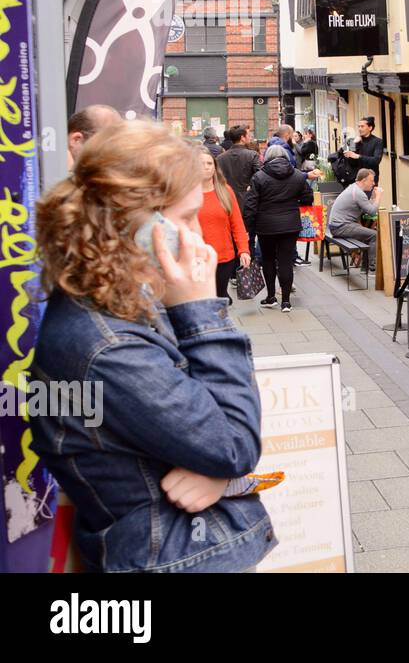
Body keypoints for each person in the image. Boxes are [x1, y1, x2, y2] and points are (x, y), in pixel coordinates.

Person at [31, 120, 275, 572]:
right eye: (184, 219)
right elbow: (235, 442)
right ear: (133, 224)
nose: (196, 236)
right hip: (173, 557)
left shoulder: (117, 300)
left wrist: (221, 475)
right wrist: (201, 308)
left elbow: (212, 424)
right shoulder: (107, 345)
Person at [245, 144, 314, 313]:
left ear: (267, 158)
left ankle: (270, 297)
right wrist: (293, 203)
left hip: (266, 225)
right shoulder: (298, 176)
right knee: (285, 261)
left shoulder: (259, 177)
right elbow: (308, 198)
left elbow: (250, 205)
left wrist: (248, 227)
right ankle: (286, 301)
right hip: (290, 225)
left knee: (268, 260)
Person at [198, 150, 251, 304]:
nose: (206, 167)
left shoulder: (225, 191)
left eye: (209, 163)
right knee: (203, 300)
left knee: (219, 297)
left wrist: (243, 250)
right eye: (202, 164)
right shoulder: (188, 193)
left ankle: (221, 324)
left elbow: (237, 224)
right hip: (197, 258)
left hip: (223, 257)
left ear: (215, 168)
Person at [328, 167, 383, 267]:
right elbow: (372, 212)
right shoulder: (358, 193)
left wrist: (373, 199)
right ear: (363, 180)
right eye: (371, 180)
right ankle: (373, 266)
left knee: (367, 233)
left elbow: (366, 207)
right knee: (374, 235)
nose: (373, 183)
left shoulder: (354, 188)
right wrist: (378, 196)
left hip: (338, 225)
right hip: (340, 227)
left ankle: (365, 266)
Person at [216, 125, 262, 217]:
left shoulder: (220, 158)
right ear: (242, 138)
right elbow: (260, 176)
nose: (250, 138)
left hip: (225, 199)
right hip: (247, 200)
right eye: (248, 135)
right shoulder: (252, 155)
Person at [343, 116, 385, 182]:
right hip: (355, 179)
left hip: (370, 179)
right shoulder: (353, 141)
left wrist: (358, 156)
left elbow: (376, 161)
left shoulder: (378, 142)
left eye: (362, 126)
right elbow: (349, 161)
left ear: (370, 128)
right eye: (359, 126)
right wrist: (354, 144)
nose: (359, 129)